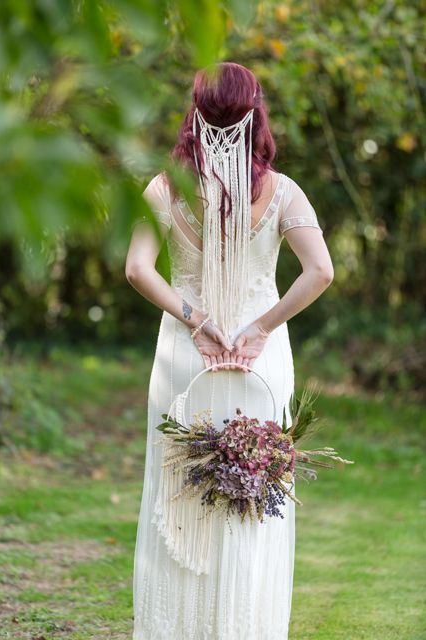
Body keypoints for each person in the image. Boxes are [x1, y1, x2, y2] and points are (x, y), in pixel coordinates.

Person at [126, 61, 333, 640]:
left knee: (178, 493)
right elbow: (320, 272)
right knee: (253, 499)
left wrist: (194, 317)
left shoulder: (164, 187)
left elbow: (137, 269)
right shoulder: (283, 191)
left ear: (195, 113)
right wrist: (262, 326)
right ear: (255, 112)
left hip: (188, 352)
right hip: (258, 356)